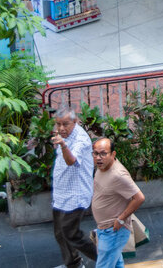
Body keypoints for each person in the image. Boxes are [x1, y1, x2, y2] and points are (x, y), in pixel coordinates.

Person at [50, 108, 96, 268]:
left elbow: (71, 160)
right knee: (60, 233)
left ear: (75, 122)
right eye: (58, 124)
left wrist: (63, 145)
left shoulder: (81, 140)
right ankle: (74, 265)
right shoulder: (63, 134)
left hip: (76, 195)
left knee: (71, 233)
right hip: (61, 192)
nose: (61, 128)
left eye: (65, 124)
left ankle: (107, 261)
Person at [90, 138, 144, 268]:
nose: (98, 158)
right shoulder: (101, 167)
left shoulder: (118, 175)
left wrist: (121, 219)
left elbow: (139, 198)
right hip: (104, 229)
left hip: (113, 232)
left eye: (103, 153)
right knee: (116, 264)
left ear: (113, 154)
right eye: (95, 153)